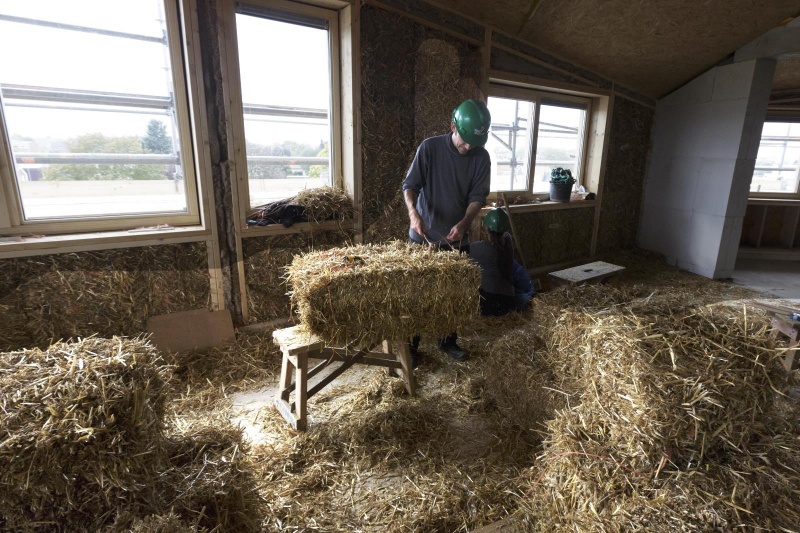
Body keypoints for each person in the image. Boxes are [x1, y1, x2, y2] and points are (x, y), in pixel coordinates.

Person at [402, 98, 492, 362]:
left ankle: (447, 341)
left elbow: (478, 197)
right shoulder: (429, 148)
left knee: (453, 294)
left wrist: (464, 224)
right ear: (452, 126)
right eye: (464, 141)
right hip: (423, 236)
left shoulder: (481, 157)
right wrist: (413, 214)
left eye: (474, 143)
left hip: (456, 238)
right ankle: (412, 345)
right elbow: (410, 186)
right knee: (416, 294)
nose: (468, 147)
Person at [469, 208, 517, 316]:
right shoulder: (508, 240)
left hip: (489, 303)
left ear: (485, 228)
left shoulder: (479, 248)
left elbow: (461, 254)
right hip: (509, 302)